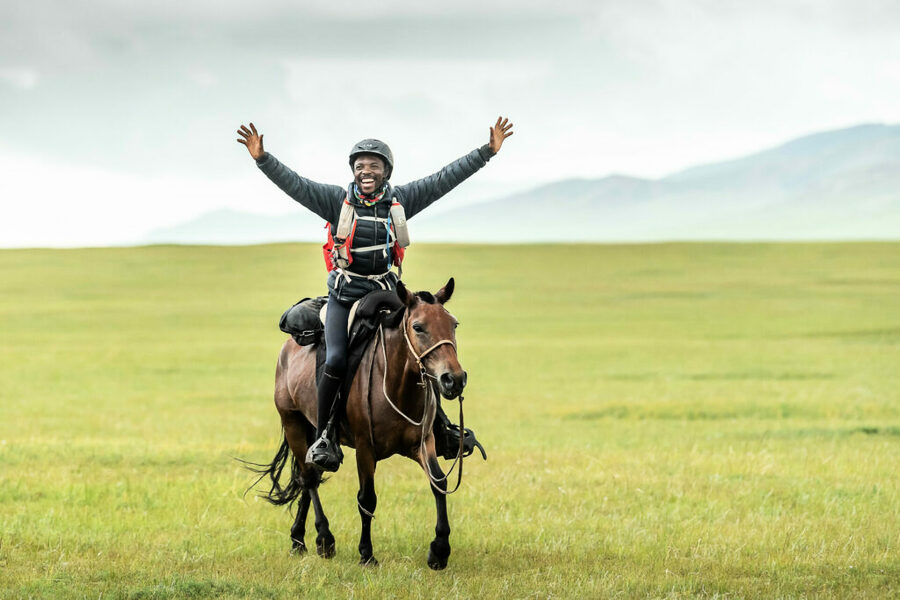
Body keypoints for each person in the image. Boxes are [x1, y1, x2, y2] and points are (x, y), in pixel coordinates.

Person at [236, 117, 514, 471]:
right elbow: (296, 185)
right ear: (353, 172)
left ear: (386, 171)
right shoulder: (336, 201)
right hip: (345, 296)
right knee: (335, 358)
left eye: (374, 165)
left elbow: (444, 179)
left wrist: (486, 152)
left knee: (419, 346)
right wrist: (263, 159)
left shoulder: (401, 200)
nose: (366, 171)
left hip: (384, 293)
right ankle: (324, 436)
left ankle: (441, 430)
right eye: (360, 166)